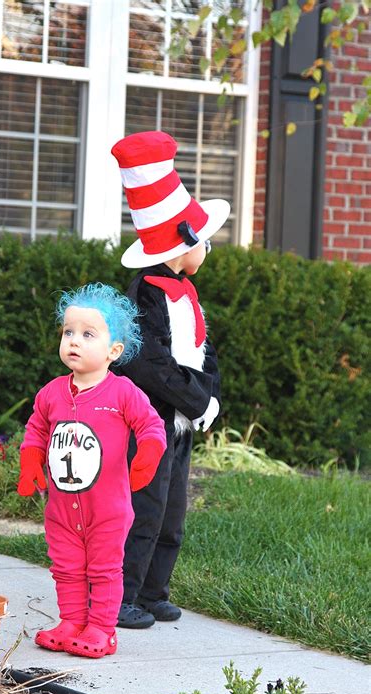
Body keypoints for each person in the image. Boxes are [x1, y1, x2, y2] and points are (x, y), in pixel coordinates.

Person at [110, 130, 230, 629]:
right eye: (206, 242)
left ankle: (155, 590)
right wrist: (194, 400)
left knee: (173, 512)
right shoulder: (146, 295)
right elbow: (146, 363)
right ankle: (122, 595)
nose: (209, 250)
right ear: (183, 246)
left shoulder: (186, 292)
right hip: (149, 422)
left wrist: (210, 397)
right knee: (144, 508)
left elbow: (204, 350)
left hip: (180, 422)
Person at [17, 282, 166, 658]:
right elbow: (36, 428)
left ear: (114, 350)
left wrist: (148, 454)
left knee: (103, 569)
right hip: (62, 507)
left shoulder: (123, 392)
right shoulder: (51, 393)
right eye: (68, 332)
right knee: (65, 566)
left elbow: (151, 425)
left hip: (107, 508)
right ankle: (71, 621)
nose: (74, 341)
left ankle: (101, 629)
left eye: (87, 334)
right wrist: (30, 459)